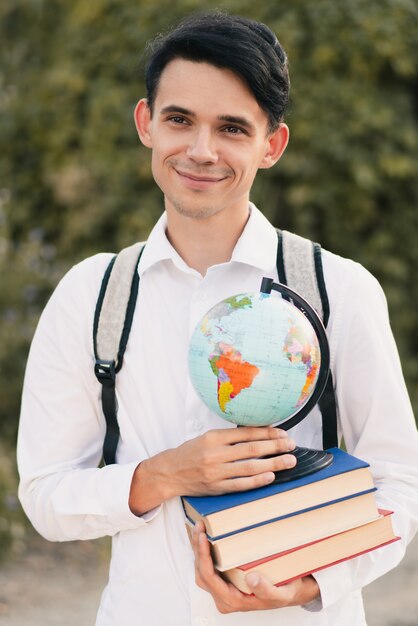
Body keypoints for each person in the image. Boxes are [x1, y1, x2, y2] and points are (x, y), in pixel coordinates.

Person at [17, 11, 418, 626]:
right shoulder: (91, 295)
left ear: (272, 145)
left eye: (232, 128)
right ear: (146, 123)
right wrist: (159, 476)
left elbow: (400, 483)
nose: (201, 151)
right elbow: (45, 493)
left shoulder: (338, 289)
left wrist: (311, 584)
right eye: (180, 119)